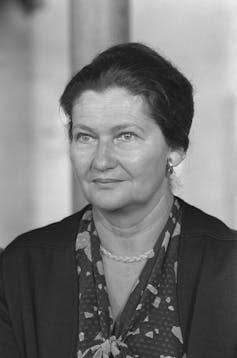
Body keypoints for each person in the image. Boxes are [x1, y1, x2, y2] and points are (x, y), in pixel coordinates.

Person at [0, 43, 236, 358]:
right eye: (85, 136)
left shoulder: (229, 268)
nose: (101, 160)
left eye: (125, 136)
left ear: (175, 148)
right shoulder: (22, 267)